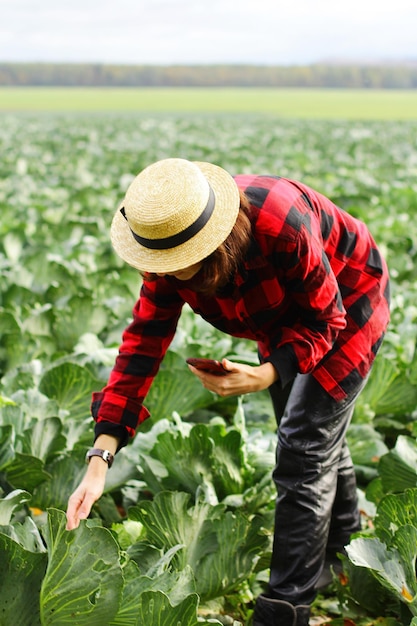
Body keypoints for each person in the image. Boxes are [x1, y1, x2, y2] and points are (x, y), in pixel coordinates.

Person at [66, 158, 390, 626]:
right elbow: (141, 348)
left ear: (213, 239)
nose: (170, 274)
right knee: (313, 435)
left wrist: (266, 374)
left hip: (350, 298)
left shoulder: (282, 223)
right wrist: (100, 460)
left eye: (181, 263)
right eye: (161, 264)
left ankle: (286, 608)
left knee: (303, 445)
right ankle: (345, 552)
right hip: (280, 316)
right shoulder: (165, 244)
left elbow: (325, 318)